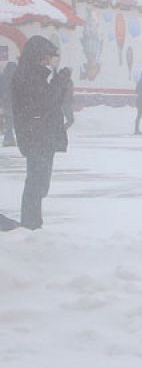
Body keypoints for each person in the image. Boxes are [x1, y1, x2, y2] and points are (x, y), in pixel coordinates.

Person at [8, 37, 66, 230]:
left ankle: (33, 222)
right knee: (37, 182)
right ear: (38, 56)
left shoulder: (36, 75)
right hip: (35, 135)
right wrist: (58, 84)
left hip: (41, 135)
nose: (48, 62)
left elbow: (50, 102)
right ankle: (31, 223)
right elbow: (41, 104)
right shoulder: (27, 76)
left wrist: (58, 84)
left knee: (40, 182)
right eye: (47, 58)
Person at [0, 60, 15, 147]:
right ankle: (9, 138)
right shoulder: (16, 77)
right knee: (10, 121)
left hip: (6, 103)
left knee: (8, 120)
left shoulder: (3, 77)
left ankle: (8, 138)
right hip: (12, 103)